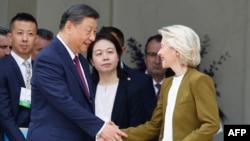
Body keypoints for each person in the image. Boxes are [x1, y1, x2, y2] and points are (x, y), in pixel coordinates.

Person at [26, 4, 127, 141]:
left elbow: (83, 104)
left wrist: (100, 128)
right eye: (88, 31)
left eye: (94, 31)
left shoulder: (81, 61)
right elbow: (63, 101)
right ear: (69, 27)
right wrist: (100, 128)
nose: (92, 37)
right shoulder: (48, 58)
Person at [122, 25, 220, 141]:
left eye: (162, 47)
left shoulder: (199, 80)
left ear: (177, 51)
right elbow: (154, 126)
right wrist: (116, 135)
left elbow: (211, 124)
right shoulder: (167, 84)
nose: (159, 53)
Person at [87, 33, 145, 129]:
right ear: (92, 61)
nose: (105, 57)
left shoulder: (132, 89)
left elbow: (137, 129)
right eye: (99, 53)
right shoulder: (85, 89)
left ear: (118, 56)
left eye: (110, 52)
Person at [98, 26, 157, 121]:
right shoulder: (86, 80)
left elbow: (150, 125)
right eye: (100, 50)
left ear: (121, 50)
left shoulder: (141, 81)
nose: (105, 56)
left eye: (111, 49)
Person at [0, 12, 37, 141]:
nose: (25, 39)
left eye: (30, 34)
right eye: (20, 33)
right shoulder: (2, 68)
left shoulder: (41, 69)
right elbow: (4, 114)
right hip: (9, 135)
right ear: (10, 37)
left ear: (36, 38)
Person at [144, 34, 174, 99]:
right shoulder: (133, 84)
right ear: (145, 58)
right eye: (152, 54)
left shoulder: (175, 85)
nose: (157, 61)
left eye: (162, 56)